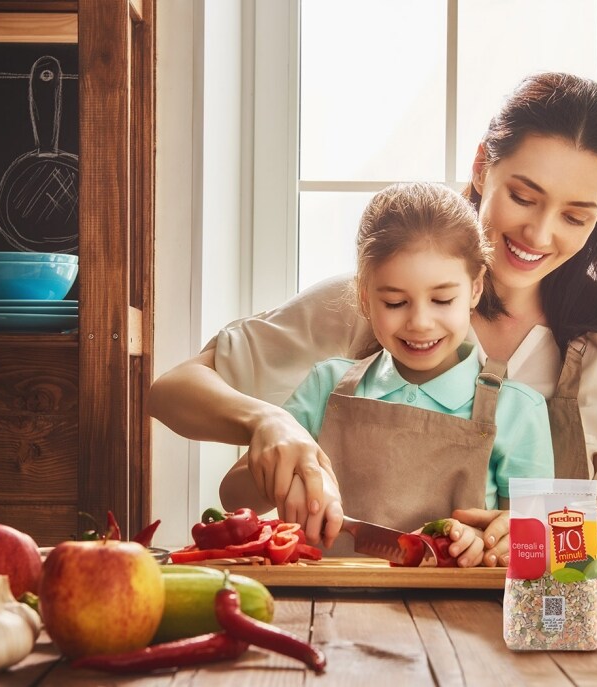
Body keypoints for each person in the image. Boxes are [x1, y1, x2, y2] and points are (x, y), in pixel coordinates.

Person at [147, 72, 597, 567]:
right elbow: (173, 390)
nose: (538, 233)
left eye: (574, 216)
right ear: (481, 166)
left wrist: (536, 537)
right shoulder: (366, 306)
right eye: (522, 196)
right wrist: (267, 420)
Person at [219, 182, 555, 567]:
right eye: (395, 302)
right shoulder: (327, 386)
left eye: (443, 299)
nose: (420, 322)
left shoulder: (518, 410)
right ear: (365, 295)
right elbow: (234, 497)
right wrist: (282, 457)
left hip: (455, 620)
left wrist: (493, 540)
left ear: (476, 289)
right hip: (327, 612)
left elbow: (537, 555)